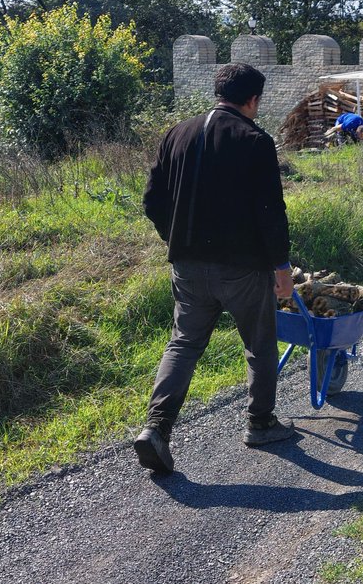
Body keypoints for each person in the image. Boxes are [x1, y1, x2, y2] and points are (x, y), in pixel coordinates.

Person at [135, 63, 296, 474]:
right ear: (253, 100)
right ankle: (260, 423)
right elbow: (270, 213)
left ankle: (157, 428)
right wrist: (281, 267)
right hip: (242, 268)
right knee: (259, 344)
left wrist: (175, 239)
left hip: (187, 265)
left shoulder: (177, 133)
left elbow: (152, 201)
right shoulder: (256, 140)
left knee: (184, 344)